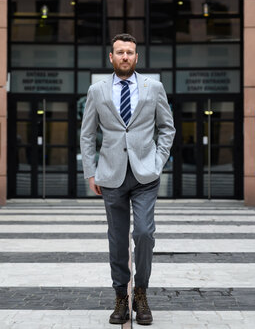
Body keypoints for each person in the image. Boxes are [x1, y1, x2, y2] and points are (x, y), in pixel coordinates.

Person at [80, 33, 176, 326]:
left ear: (137, 57)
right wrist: (91, 171)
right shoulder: (97, 90)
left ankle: (142, 293)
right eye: (119, 52)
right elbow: (87, 134)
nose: (125, 56)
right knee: (118, 239)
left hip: (146, 174)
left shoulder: (154, 87)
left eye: (130, 52)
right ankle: (121, 295)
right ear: (111, 57)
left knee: (144, 234)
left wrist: (158, 162)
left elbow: (167, 128)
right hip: (111, 175)